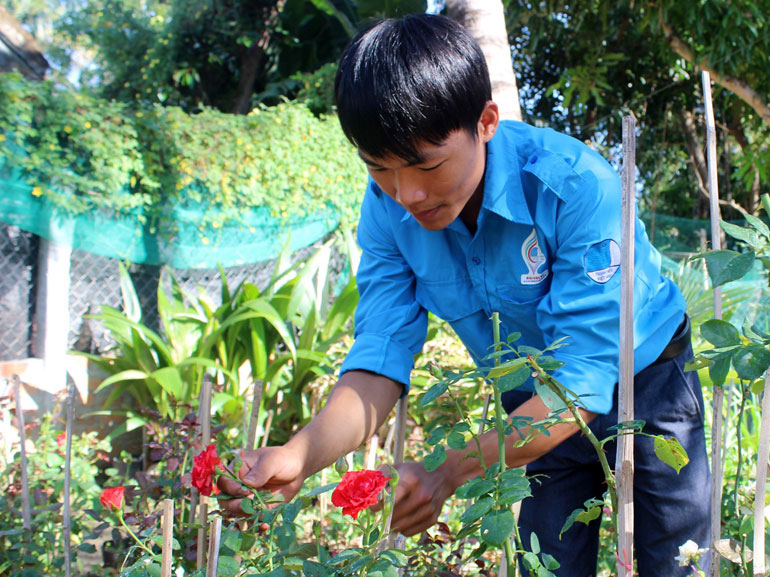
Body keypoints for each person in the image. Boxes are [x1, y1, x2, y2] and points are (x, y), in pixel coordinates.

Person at [220, 13, 710, 576]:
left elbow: (580, 385)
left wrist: (447, 471)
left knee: (678, 562)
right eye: (380, 168)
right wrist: (298, 457)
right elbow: (379, 359)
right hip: (531, 407)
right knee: (546, 563)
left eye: (425, 164)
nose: (407, 193)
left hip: (646, 382)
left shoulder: (575, 184)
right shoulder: (386, 211)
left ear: (486, 122)